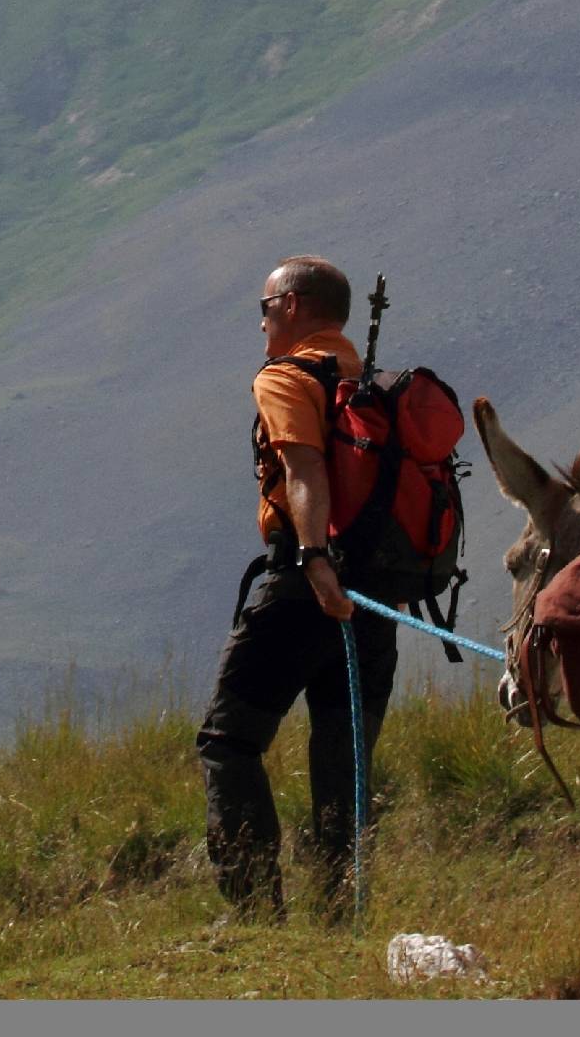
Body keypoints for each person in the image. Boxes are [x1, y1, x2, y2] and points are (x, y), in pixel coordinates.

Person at [194, 254, 398, 923]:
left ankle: (254, 912)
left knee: (229, 741)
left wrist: (314, 558)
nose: (260, 323)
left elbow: (304, 468)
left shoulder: (287, 377)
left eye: (263, 308)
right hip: (377, 600)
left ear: (290, 306)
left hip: (303, 586)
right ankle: (342, 913)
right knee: (344, 759)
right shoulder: (369, 383)